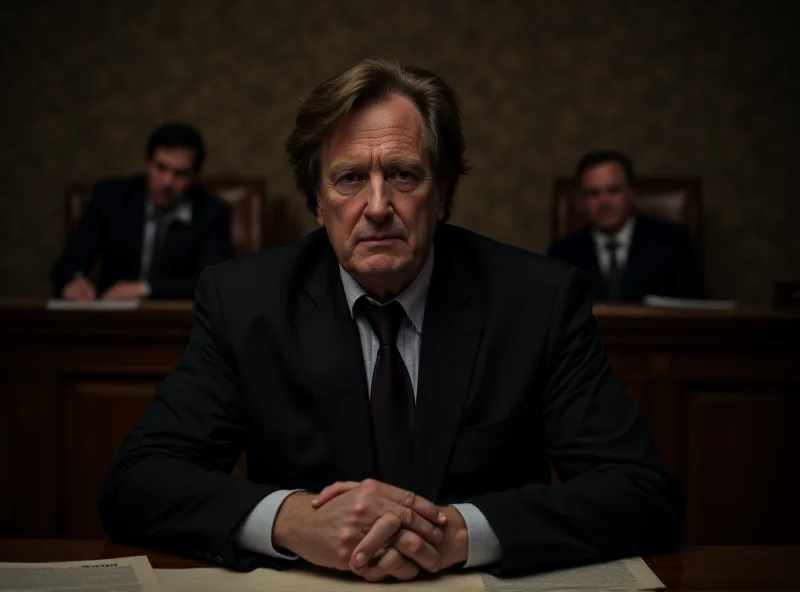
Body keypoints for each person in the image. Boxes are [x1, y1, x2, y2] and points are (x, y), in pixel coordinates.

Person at [100, 58, 682, 581]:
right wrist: (289, 520)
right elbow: (137, 483)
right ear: (318, 202)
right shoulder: (245, 302)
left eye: (403, 174)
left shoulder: (536, 300)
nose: (377, 207)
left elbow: (641, 493)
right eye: (350, 178)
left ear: (444, 193)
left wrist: (461, 532)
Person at [51, 122, 231, 301]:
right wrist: (72, 281)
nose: (168, 182)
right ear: (148, 163)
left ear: (195, 176)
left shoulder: (212, 212)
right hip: (112, 315)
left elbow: (212, 283)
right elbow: (66, 265)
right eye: (161, 168)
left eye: (181, 174)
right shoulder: (111, 198)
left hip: (176, 318)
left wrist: (146, 288)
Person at [547, 151, 706, 303]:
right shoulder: (562, 254)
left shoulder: (673, 243)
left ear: (632, 194)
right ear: (581, 200)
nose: (604, 202)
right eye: (593, 193)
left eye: (613, 190)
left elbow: (696, 309)